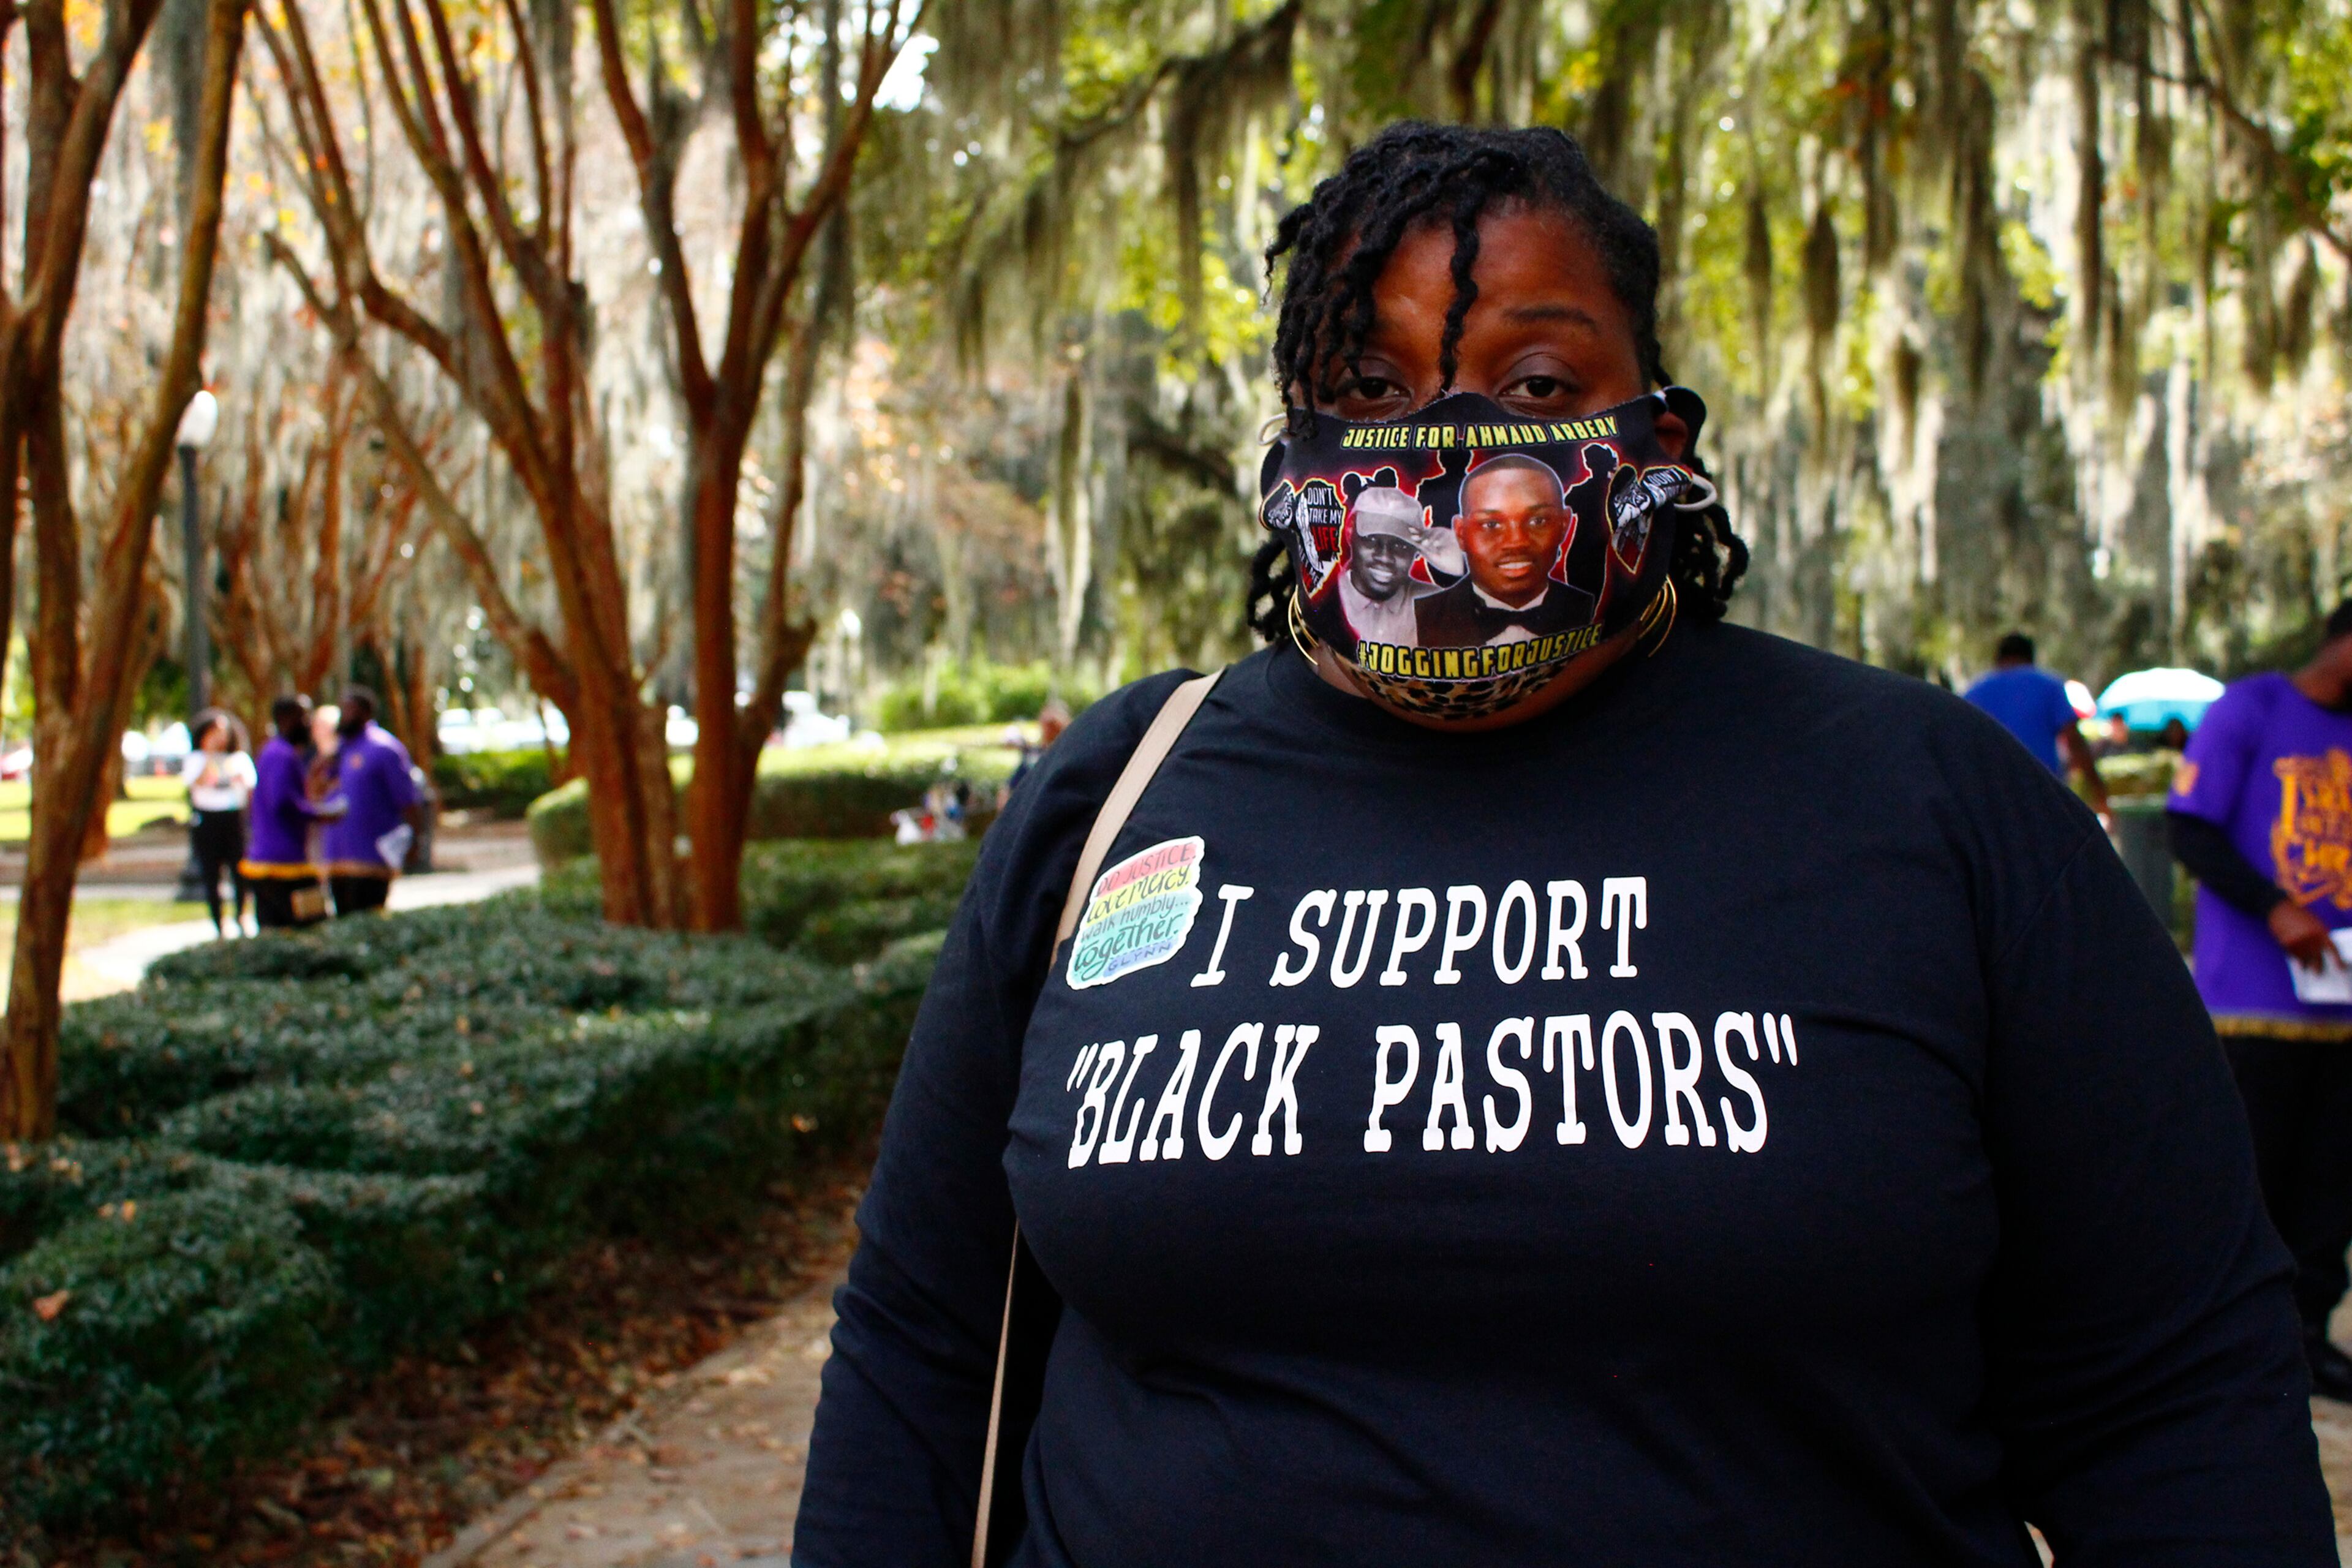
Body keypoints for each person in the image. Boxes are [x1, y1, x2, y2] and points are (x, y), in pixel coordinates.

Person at [795, 123, 2331, 1566]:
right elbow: (922, 1334)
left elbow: (2175, 1388)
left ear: (1657, 435)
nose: (1451, 449)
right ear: (1294, 456)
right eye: (1372, 386)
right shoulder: (1117, 795)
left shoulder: (1927, 803)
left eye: (1534, 383)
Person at [2167, 600, 2352, 1402]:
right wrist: (2276, 905)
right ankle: (2233, 1337)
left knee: (2332, 1184)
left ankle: (2309, 1335)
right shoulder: (2253, 708)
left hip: (2343, 1003)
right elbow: (2190, 829)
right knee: (2252, 1170)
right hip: (2255, 1000)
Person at [1414, 452, 1594, 647]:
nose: (1516, 542)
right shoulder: (1420, 616)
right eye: (1491, 525)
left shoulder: (1594, 608)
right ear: (1461, 533)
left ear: (1564, 524)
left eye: (1538, 521)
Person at [1963, 633, 2110, 818]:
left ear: (1997, 659)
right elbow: (2074, 741)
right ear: (2031, 658)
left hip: (1988, 797)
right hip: (2041, 793)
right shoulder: (2050, 686)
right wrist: (2099, 792)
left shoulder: (1974, 693)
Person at [240, 695, 342, 929]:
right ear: (287, 720)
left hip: (269, 861)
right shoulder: (282, 755)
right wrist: (323, 814)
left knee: (273, 929)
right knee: (312, 924)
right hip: (284, 864)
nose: (309, 725)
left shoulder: (272, 751)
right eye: (305, 717)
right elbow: (283, 802)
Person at [320, 686, 418, 916]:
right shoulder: (339, 751)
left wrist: (414, 842)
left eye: (349, 710)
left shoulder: (384, 749)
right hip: (337, 859)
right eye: (341, 710)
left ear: (365, 713)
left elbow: (409, 801)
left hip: (372, 859)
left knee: (368, 919)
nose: (343, 716)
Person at [180, 709, 256, 938]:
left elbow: (250, 787)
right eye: (214, 732)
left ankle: (241, 915)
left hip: (234, 818)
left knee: (240, 871)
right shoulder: (196, 760)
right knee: (211, 874)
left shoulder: (239, 759)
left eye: (223, 732)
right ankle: (218, 922)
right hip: (207, 820)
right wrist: (210, 757)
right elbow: (196, 784)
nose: (219, 737)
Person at [1335, 486, 1436, 647]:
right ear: (1349, 532)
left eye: (1400, 546)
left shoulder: (1438, 605)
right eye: (1372, 540)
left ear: (1417, 550)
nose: (1384, 557)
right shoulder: (1327, 595)